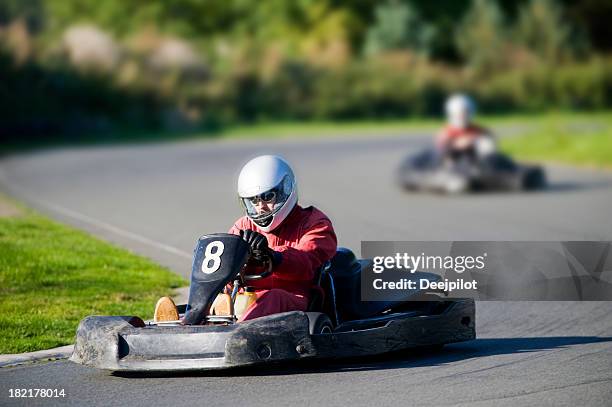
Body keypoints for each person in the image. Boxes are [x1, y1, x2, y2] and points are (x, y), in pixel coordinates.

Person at [154, 155, 337, 323]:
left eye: (267, 197)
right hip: (244, 298)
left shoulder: (314, 223)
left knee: (272, 297)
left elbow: (307, 261)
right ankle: (185, 323)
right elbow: (223, 262)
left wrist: (273, 257)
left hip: (294, 299)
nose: (260, 207)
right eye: (254, 201)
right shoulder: (244, 226)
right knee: (216, 298)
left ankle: (233, 333)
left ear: (285, 190)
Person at [435, 94, 496, 162]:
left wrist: (476, 140)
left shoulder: (476, 129)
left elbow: (490, 140)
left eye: (465, 112)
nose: (463, 115)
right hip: (455, 162)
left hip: (475, 162)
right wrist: (457, 145)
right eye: (460, 113)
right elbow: (442, 147)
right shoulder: (447, 131)